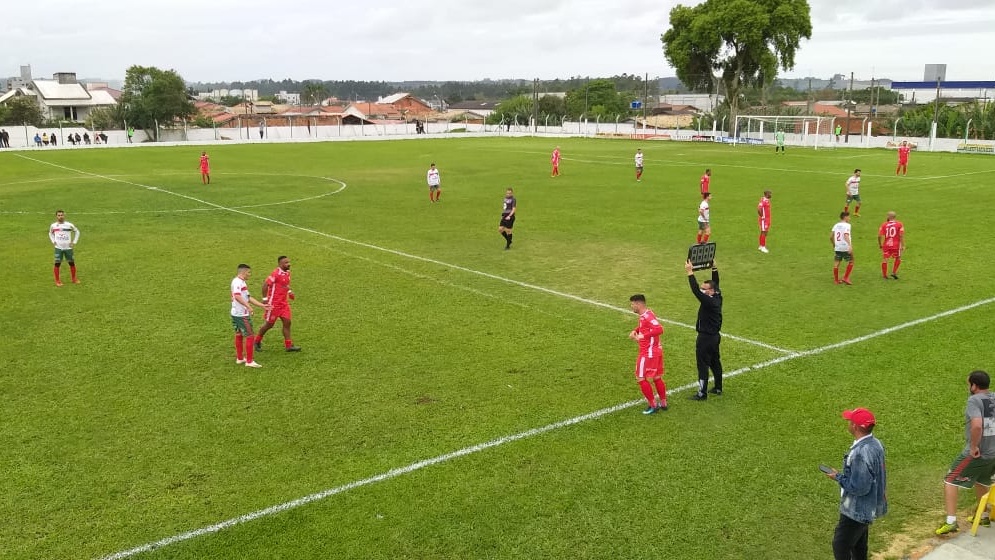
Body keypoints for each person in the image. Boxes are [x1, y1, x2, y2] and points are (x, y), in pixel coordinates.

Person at [935, 370, 995, 535]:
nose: (968, 387)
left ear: (974, 386)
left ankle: (951, 522)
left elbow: (976, 425)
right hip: (993, 453)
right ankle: (982, 515)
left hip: (979, 453)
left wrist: (974, 447)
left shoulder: (974, 400)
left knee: (950, 480)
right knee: (982, 480)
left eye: (969, 384)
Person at [823, 407, 889, 560]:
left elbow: (860, 487)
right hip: (868, 506)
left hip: (856, 509)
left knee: (840, 545)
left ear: (855, 426)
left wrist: (838, 477)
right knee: (859, 545)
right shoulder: (876, 444)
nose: (848, 423)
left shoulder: (860, 453)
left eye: (850, 421)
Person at [685, 259, 723, 400]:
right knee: (715, 362)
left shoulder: (708, 301)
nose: (702, 290)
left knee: (702, 365)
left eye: (704, 289)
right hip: (714, 337)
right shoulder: (718, 296)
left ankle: (702, 393)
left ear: (710, 291)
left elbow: (695, 290)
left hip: (705, 338)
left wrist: (690, 272)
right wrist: (714, 268)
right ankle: (718, 387)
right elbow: (716, 283)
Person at [628, 294, 668, 414]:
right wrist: (636, 330)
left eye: (632, 304)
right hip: (656, 351)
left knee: (640, 377)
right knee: (656, 377)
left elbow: (659, 329)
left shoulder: (646, 316)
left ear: (638, 304)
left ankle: (653, 405)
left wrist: (642, 336)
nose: (631, 306)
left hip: (648, 353)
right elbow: (645, 326)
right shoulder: (646, 314)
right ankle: (663, 403)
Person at [255, 255, 301, 352]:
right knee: (269, 325)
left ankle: (288, 345)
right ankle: (257, 341)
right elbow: (265, 285)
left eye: (289, 262)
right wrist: (264, 299)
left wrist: (289, 292)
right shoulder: (276, 274)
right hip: (274, 304)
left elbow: (285, 284)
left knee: (287, 322)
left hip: (283, 303)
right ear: (280, 264)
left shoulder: (287, 272)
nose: (289, 264)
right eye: (286, 263)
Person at [230, 264, 269, 368]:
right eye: (248, 272)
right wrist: (249, 307)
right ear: (243, 272)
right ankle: (249, 361)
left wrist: (262, 305)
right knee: (250, 336)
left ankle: (240, 358)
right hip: (241, 314)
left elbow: (248, 297)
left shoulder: (241, 282)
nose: (249, 275)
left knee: (239, 334)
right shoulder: (238, 282)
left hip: (236, 313)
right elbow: (237, 296)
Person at [49, 210, 80, 286]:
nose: (60, 217)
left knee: (71, 263)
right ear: (56, 216)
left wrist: (74, 242)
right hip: (58, 248)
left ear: (64, 216)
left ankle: (74, 279)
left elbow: (77, 232)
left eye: (61, 215)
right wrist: (53, 241)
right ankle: (57, 281)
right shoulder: (53, 226)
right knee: (57, 264)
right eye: (59, 215)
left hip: (68, 248)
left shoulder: (69, 225)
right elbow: (50, 233)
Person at [877, 212, 905, 280]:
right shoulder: (899, 224)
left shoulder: (884, 224)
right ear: (895, 217)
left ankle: (884, 275)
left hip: (886, 245)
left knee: (885, 259)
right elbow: (901, 235)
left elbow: (879, 236)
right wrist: (903, 245)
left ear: (889, 217)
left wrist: (880, 244)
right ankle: (894, 272)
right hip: (896, 245)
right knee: (898, 257)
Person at [832, 211, 854, 285]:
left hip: (838, 247)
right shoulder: (847, 225)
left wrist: (834, 244)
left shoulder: (836, 225)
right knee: (851, 261)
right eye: (849, 217)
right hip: (845, 246)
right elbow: (846, 235)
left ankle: (836, 280)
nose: (849, 218)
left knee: (836, 263)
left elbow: (831, 236)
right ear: (845, 217)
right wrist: (850, 245)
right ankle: (846, 278)